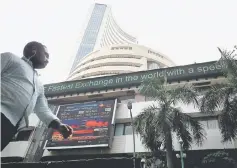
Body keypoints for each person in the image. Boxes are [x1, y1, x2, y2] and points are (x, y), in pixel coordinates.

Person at [1, 41, 73, 151]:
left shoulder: (39, 85)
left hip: (11, 127)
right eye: (46, 55)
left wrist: (58, 125)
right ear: (34, 50)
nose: (48, 59)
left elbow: (42, 109)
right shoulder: (11, 58)